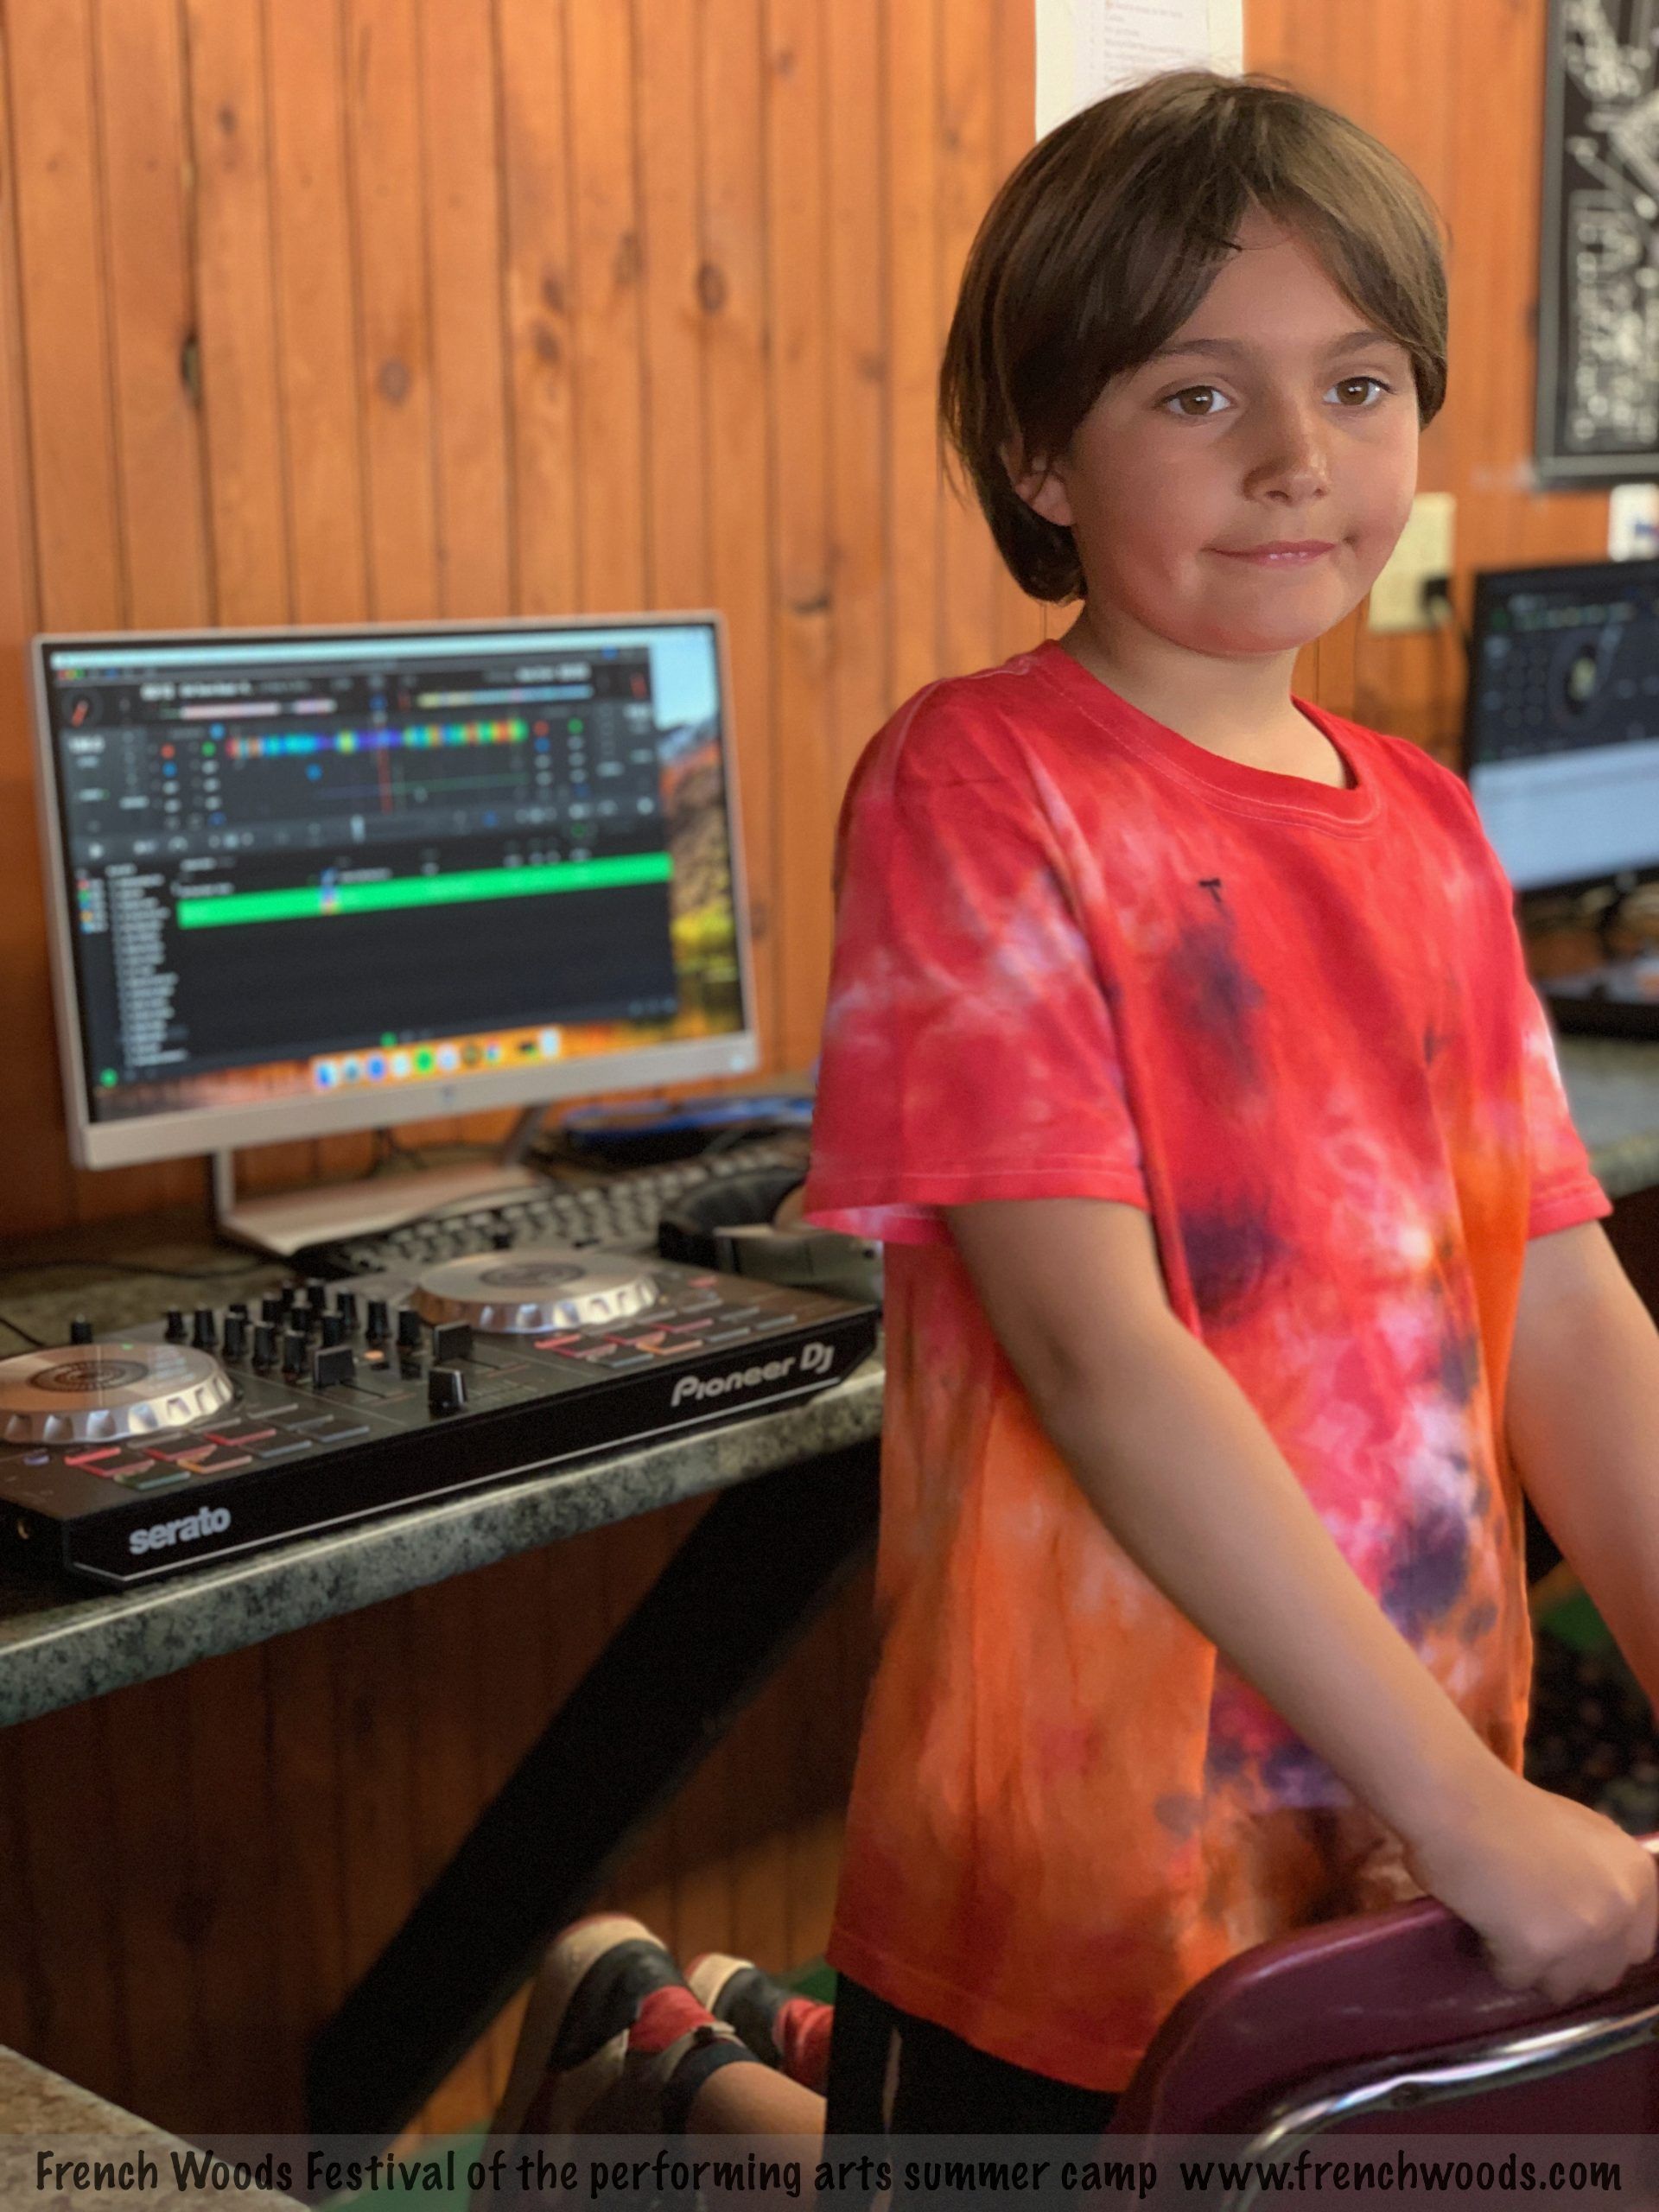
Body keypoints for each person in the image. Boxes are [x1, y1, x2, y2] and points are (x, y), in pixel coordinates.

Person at [480, 64, 1659, 2189]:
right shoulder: (980, 785)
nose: (1299, 455)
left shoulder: (1433, 825)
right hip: (1077, 1850)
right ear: (1040, 451)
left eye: (1360, 383)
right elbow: (1101, 1353)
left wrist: (1474, 1787)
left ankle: (716, 2035)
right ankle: (655, 2056)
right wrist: (1480, 1808)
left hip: (1395, 1805)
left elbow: (1567, 1314)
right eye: (1200, 394)